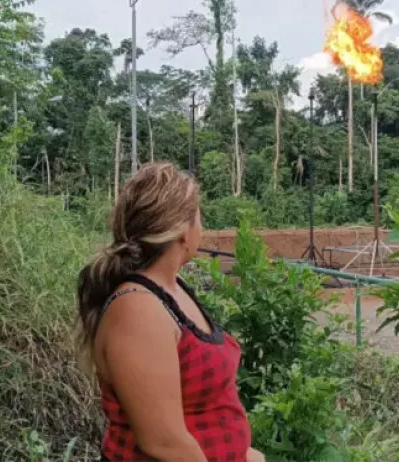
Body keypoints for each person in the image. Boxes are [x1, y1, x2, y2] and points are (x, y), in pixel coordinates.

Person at [76, 162, 264, 462]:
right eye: (199, 217)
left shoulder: (171, 290)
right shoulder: (137, 310)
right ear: (182, 232)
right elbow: (164, 444)